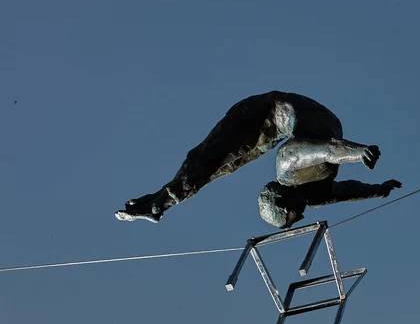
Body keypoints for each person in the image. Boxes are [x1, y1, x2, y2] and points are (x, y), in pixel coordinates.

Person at [115, 91, 402, 229]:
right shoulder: (313, 194)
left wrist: (357, 152)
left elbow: (324, 149)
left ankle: (160, 201)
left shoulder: (286, 169)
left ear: (285, 202)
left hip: (262, 112)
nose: (302, 216)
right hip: (308, 125)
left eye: (293, 216)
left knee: (211, 160)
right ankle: (161, 199)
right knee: (217, 167)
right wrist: (379, 189)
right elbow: (346, 191)